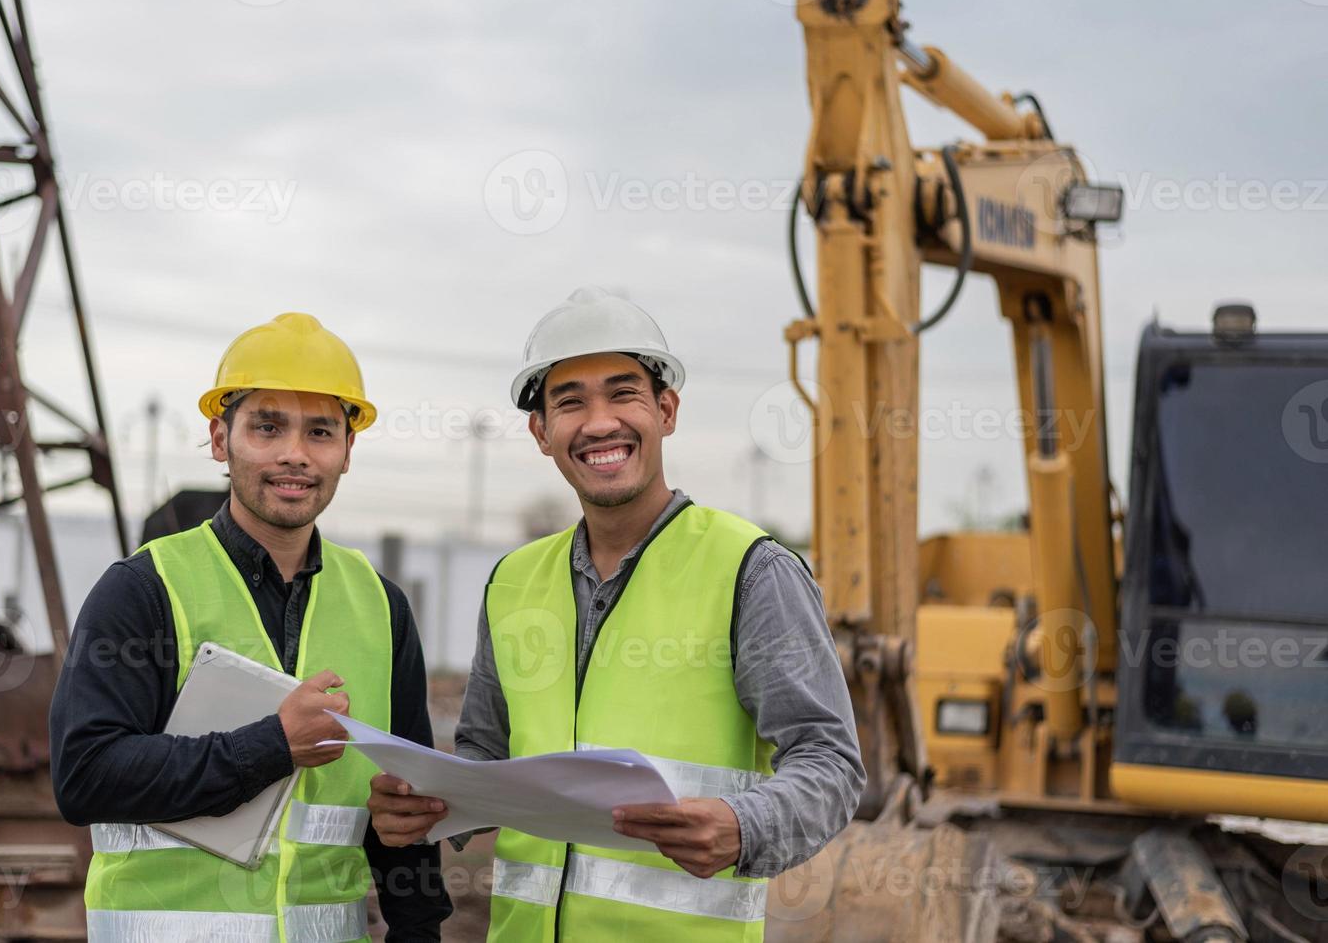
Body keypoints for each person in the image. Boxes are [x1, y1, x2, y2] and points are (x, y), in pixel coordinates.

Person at [367, 288, 866, 941]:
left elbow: (830, 762)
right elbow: (487, 759)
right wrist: (429, 806)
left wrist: (745, 826)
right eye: (570, 401)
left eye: (622, 393)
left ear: (666, 409)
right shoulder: (513, 582)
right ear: (542, 432)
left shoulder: (751, 569)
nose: (599, 422)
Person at [50, 312, 451, 942]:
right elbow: (85, 776)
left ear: (348, 449)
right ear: (219, 438)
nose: (296, 454)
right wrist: (270, 745)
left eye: (321, 431)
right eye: (268, 427)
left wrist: (418, 930)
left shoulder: (381, 605)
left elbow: (403, 810)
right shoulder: (144, 588)